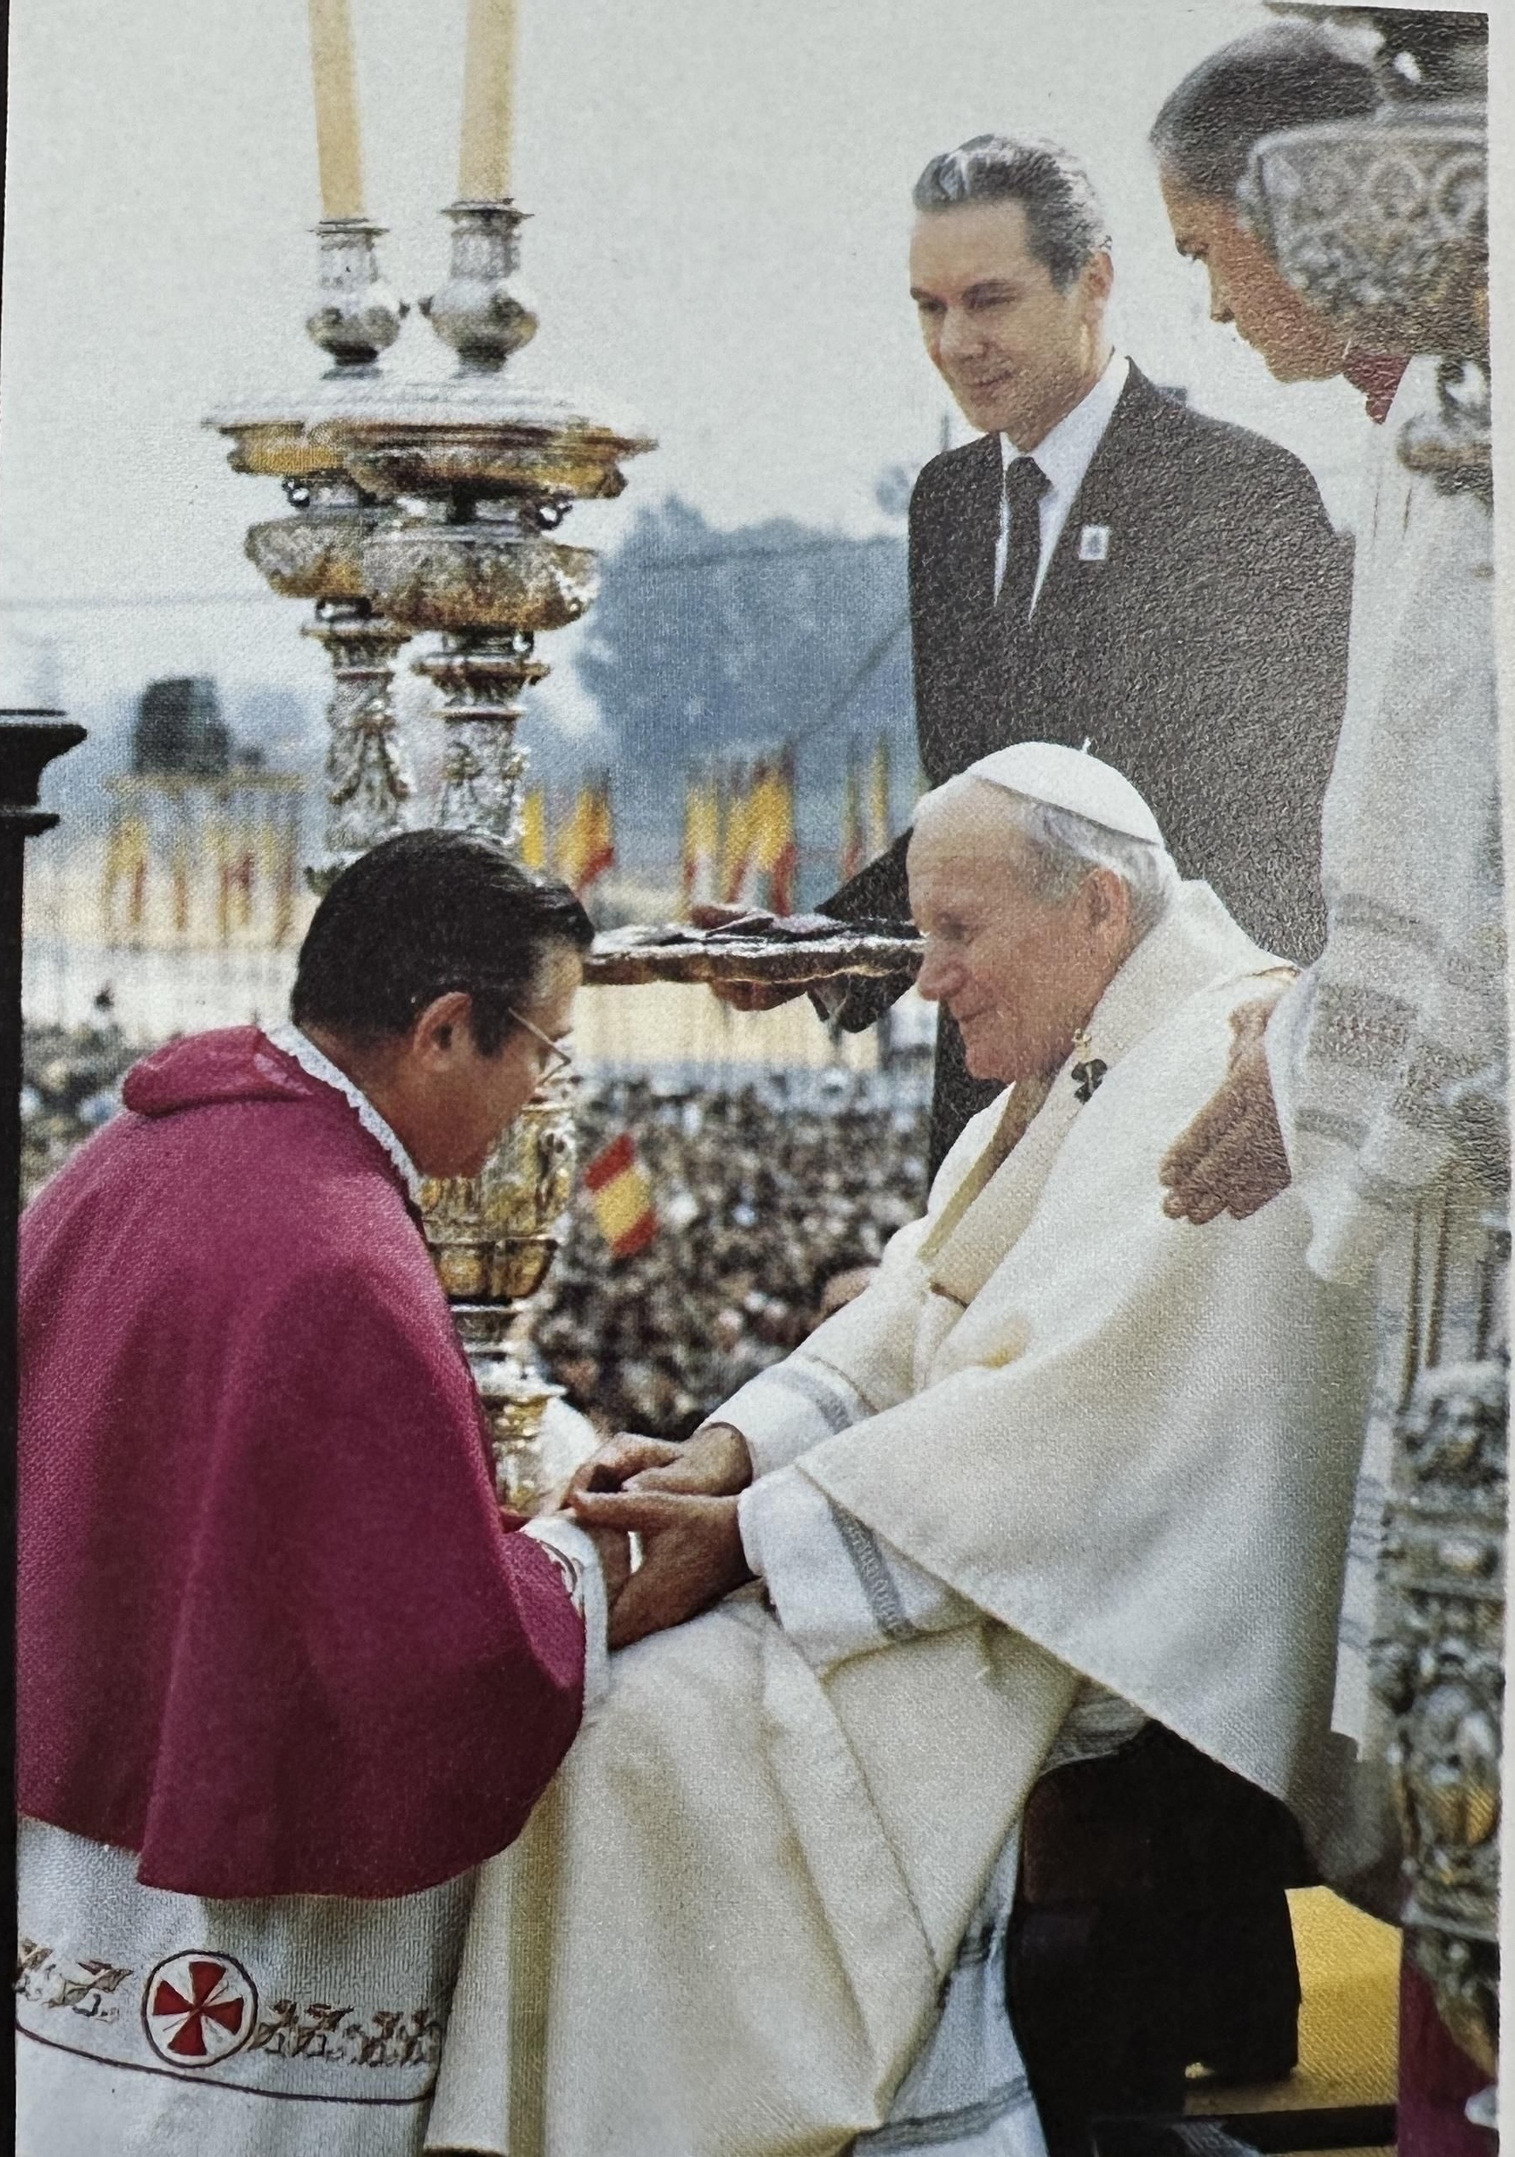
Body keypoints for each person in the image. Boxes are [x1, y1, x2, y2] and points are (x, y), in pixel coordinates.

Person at [424, 746, 1370, 2157]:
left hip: (1077, 1599)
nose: (928, 979)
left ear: (1100, 908)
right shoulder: (1068, 1068)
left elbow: (1073, 1421)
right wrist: (729, 1452)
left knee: (649, 1740)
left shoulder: (1216, 1064)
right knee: (624, 1709)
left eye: (959, 933)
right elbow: (918, 1306)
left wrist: (757, 1539)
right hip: (974, 1555)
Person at [15, 830, 625, 2157]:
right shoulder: (339, 1256)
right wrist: (586, 1560)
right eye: (542, 1047)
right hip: (240, 1952)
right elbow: (436, 1665)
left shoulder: (126, 1153)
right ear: (445, 1030)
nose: (539, 1093)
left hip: (59, 1864)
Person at [1151, 25, 1502, 2156]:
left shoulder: (1450, 435)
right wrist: (1314, 1020)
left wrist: (1318, 1061)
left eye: (1213, 248)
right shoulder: (1418, 435)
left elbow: (1458, 827)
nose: (1217, 303)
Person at [705, 132, 1352, 1176]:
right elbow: (977, 808)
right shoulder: (949, 506)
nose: (956, 342)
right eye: (930, 307)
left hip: (1171, 1093)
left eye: (989, 300)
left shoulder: (1238, 498)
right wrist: (822, 950)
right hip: (987, 1096)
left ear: (1090, 283)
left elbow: (1287, 826)